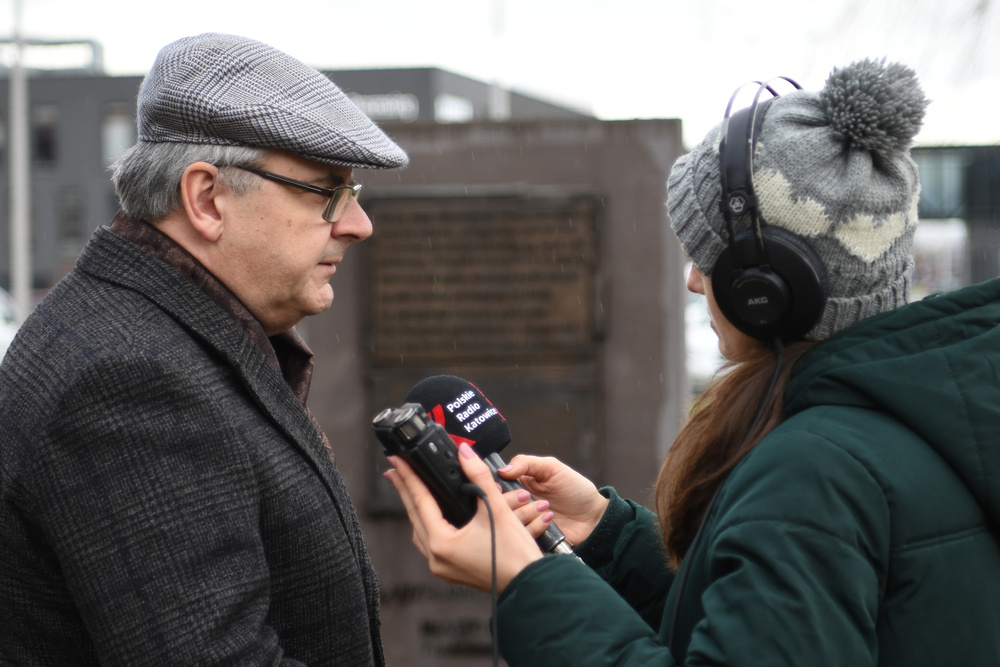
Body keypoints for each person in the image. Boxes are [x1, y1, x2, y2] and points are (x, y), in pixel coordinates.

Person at [384, 58, 1000, 665]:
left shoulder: (813, 472)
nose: (691, 281)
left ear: (765, 290)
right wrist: (611, 535)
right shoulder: (926, 421)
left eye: (708, 260)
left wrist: (526, 582)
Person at [0, 33, 407, 665]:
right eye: (328, 191)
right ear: (207, 198)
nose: (357, 224)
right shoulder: (128, 380)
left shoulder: (152, 333)